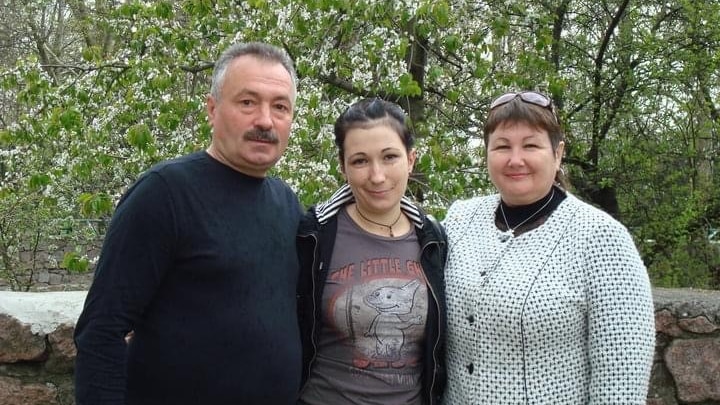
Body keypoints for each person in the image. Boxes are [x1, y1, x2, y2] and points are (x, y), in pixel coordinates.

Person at [74, 42, 303, 405]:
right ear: (212, 109)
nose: (265, 120)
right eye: (248, 102)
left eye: (280, 106)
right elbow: (101, 330)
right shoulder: (165, 195)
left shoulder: (288, 204)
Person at [442, 91, 655, 404]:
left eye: (530, 145)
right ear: (486, 153)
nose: (516, 159)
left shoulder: (602, 238)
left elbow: (621, 380)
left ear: (557, 154)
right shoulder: (459, 220)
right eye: (502, 146)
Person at [296, 98, 447, 404]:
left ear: (411, 159)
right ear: (342, 166)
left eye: (390, 157)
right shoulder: (315, 235)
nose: (377, 176)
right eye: (360, 161)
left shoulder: (434, 239)